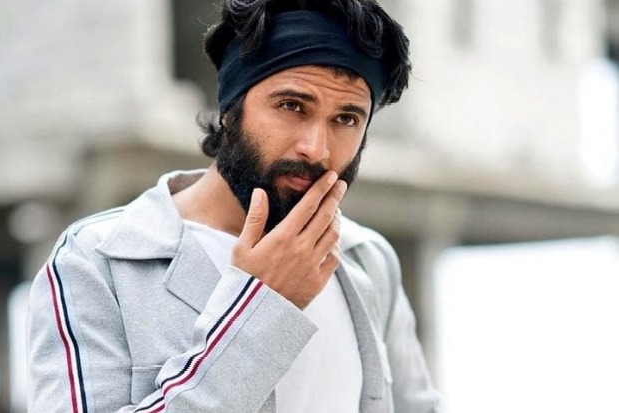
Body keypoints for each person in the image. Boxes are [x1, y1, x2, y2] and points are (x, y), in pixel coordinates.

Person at [27, 0, 443, 411]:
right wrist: (262, 307)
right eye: (292, 106)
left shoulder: (367, 258)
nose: (316, 149)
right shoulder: (96, 263)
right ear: (230, 109)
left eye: (347, 119)